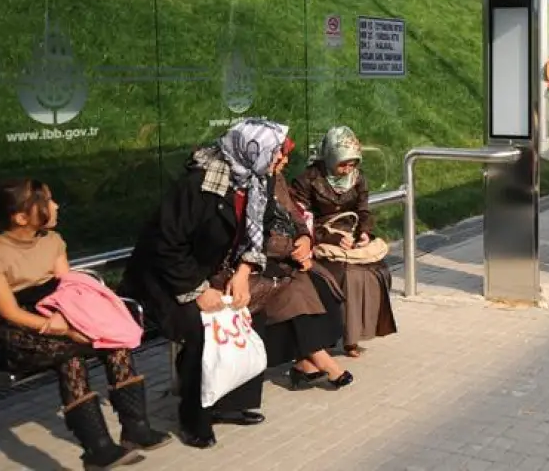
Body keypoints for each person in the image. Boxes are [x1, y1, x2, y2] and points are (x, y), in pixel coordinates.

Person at [121, 119, 288, 449]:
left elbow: (262, 229)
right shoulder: (199, 185)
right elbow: (166, 245)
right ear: (251, 150)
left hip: (212, 269)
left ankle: (228, 402)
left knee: (246, 310)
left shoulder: (257, 181)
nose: (277, 160)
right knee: (200, 331)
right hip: (163, 278)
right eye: (274, 153)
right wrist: (198, 290)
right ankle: (193, 415)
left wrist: (242, 274)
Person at [0, 179, 170, 468]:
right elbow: (11, 312)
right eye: (46, 202)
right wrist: (64, 328)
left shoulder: (53, 241)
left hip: (59, 312)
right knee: (72, 356)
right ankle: (98, 448)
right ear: (20, 217)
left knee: (114, 343)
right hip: (16, 330)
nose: (55, 206)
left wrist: (79, 322)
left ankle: (135, 429)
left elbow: (68, 290)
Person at [290, 126, 397, 358]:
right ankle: (340, 336)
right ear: (329, 157)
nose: (348, 169)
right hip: (319, 239)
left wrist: (363, 234)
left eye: (353, 163)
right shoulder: (306, 180)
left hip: (351, 233)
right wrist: (330, 236)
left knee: (376, 272)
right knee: (349, 275)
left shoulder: (358, 178)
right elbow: (300, 219)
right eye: (343, 164)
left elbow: (364, 211)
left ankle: (355, 334)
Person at [259, 139, 353, 390]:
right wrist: (292, 249)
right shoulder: (249, 184)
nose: (285, 161)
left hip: (287, 253)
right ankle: (320, 359)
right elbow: (254, 233)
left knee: (323, 284)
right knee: (296, 294)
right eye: (280, 156)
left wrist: (302, 238)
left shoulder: (275, 178)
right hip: (258, 261)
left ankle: (304, 363)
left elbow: (294, 214)